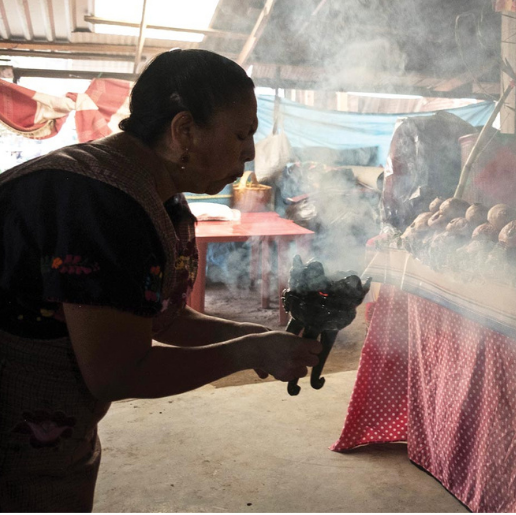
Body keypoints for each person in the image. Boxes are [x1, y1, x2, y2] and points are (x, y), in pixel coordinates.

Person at [0, 49, 322, 512]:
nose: (250, 153)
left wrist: (258, 334)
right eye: (240, 134)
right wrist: (246, 352)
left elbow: (162, 319)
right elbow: (116, 372)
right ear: (184, 130)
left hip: (52, 437)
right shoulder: (101, 203)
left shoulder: (153, 193)